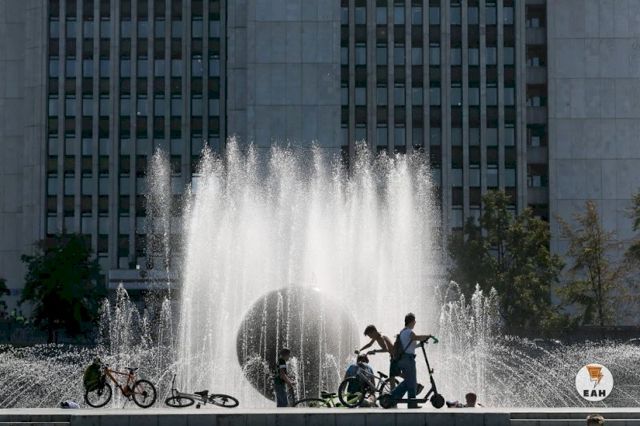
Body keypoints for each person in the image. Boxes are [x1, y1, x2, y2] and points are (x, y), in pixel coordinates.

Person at [358, 324, 424, 394]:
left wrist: (374, 351)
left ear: (374, 332)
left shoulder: (380, 338)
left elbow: (386, 349)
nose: (370, 337)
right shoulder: (378, 336)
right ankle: (415, 385)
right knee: (396, 374)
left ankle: (394, 395)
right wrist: (360, 350)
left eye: (370, 335)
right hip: (396, 356)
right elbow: (369, 344)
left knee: (392, 376)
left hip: (395, 357)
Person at [389, 313, 432, 409]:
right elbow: (415, 337)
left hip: (404, 358)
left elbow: (410, 346)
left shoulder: (403, 332)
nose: (415, 323)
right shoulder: (408, 332)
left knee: (409, 380)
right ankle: (409, 402)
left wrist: (420, 344)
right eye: (414, 321)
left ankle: (394, 397)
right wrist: (428, 336)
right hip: (407, 359)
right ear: (411, 321)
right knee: (411, 381)